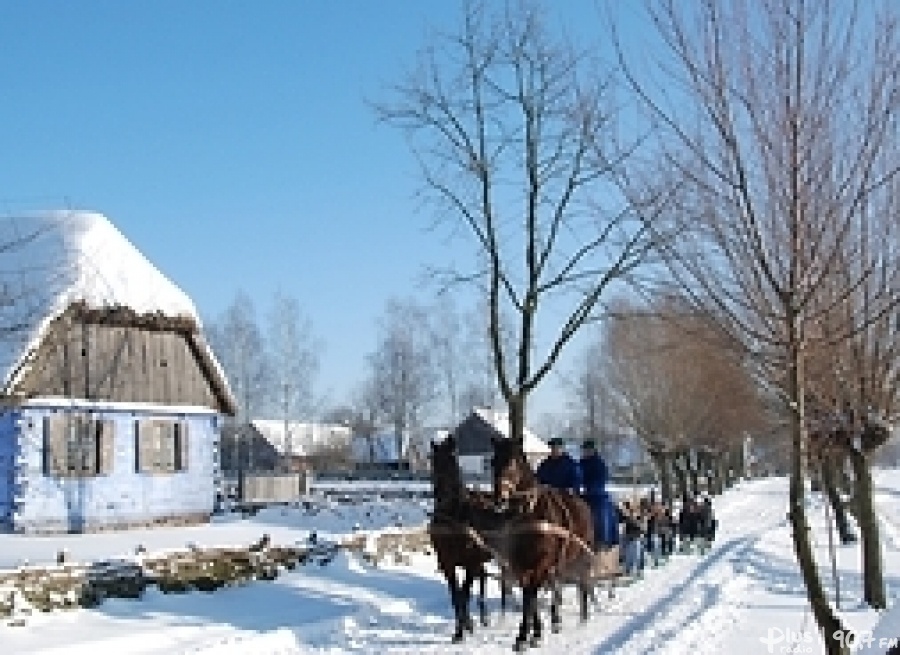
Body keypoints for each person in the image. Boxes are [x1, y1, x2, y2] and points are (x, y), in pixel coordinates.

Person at [579, 439, 619, 547]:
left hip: (596, 494)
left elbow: (601, 480)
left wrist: (588, 488)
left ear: (593, 450)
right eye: (584, 450)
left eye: (588, 450)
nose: (586, 452)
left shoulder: (599, 464)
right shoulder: (580, 463)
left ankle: (602, 538)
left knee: (600, 510)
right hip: (581, 494)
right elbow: (575, 477)